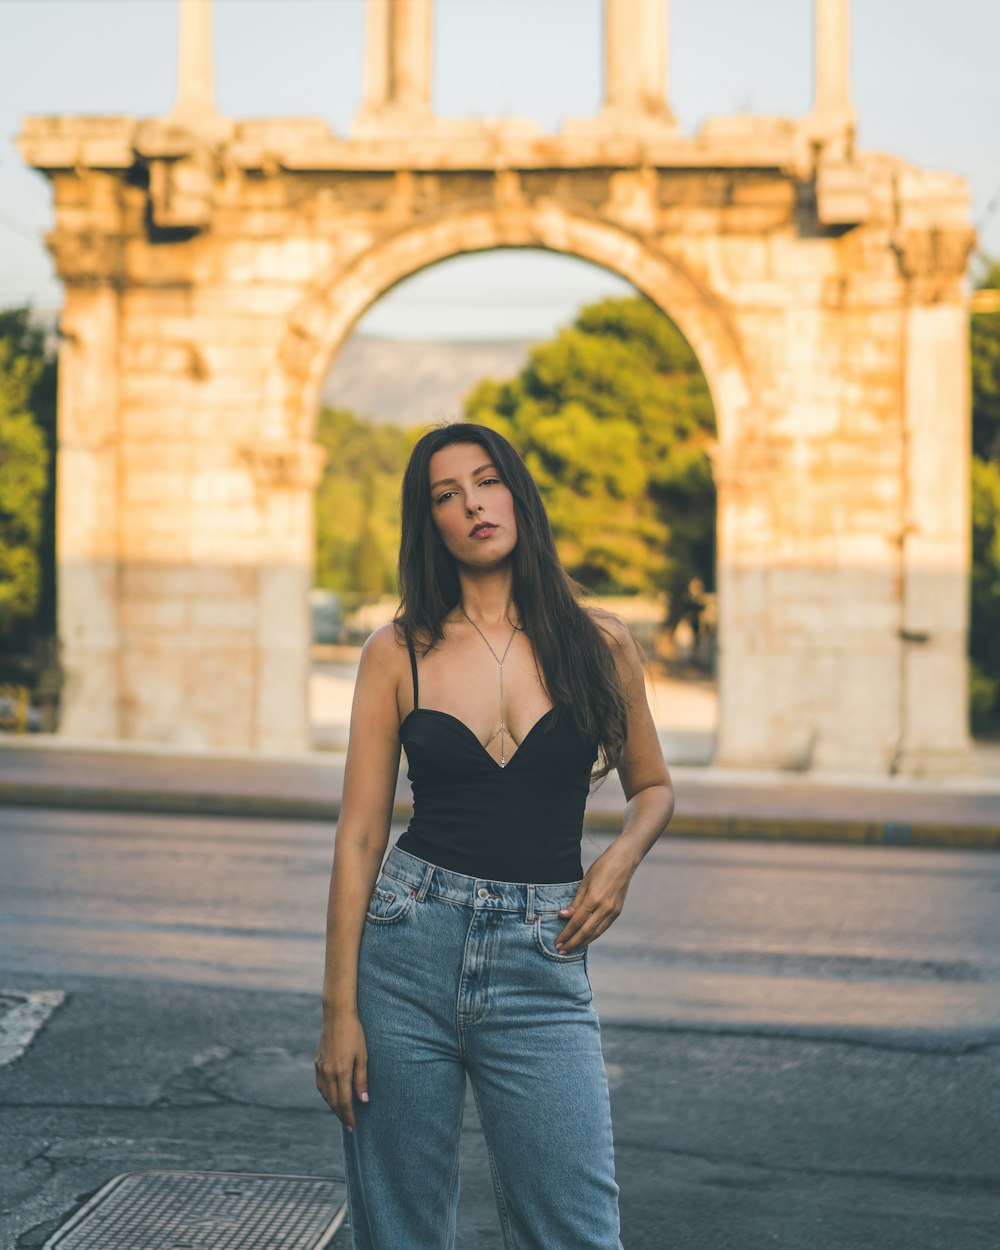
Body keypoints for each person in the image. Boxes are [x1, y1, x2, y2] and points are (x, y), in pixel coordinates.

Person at [315, 422, 675, 1250]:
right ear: (430, 522)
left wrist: (618, 860)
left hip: (542, 959)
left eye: (487, 481)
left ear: (518, 494)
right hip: (406, 951)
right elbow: (361, 835)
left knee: (576, 1230)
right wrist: (339, 1011)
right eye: (447, 494)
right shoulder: (395, 653)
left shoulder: (600, 644)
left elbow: (651, 787)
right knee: (401, 1229)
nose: (473, 504)